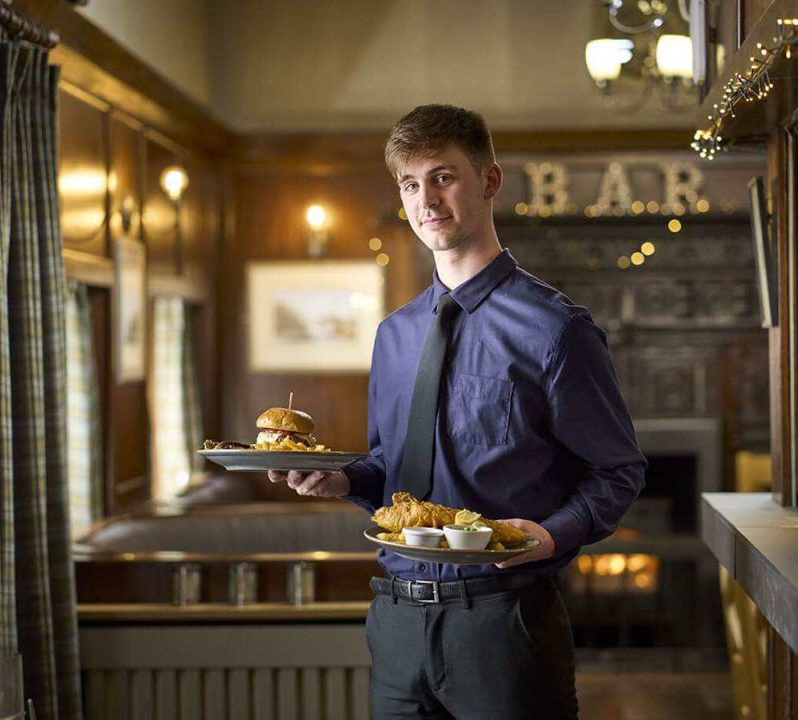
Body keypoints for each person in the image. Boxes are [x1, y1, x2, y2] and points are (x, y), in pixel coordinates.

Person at [269, 104, 647, 719]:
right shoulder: (393, 335)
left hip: (502, 622)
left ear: (489, 181)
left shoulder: (557, 330)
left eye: (444, 176)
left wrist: (553, 534)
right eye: (411, 184)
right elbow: (392, 465)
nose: (427, 200)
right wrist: (340, 479)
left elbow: (619, 471)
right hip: (394, 622)